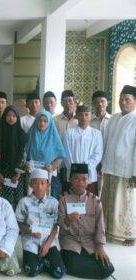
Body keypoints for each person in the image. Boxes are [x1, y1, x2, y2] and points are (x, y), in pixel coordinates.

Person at [58, 163, 115, 279]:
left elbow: (100, 227)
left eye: (84, 179)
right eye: (76, 179)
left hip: (89, 241)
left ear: (89, 180)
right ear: (70, 179)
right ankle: (67, 259)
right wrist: (68, 220)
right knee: (73, 264)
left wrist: (99, 246)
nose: (80, 182)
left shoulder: (95, 201)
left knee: (108, 268)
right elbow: (60, 223)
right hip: (70, 240)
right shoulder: (63, 198)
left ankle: (72, 261)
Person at [101, 85, 136, 246]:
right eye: (121, 99)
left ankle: (130, 235)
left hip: (126, 171)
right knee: (108, 200)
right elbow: (106, 141)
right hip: (110, 167)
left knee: (126, 203)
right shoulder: (114, 118)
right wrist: (102, 163)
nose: (123, 102)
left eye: (127, 99)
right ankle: (108, 230)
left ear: (135, 102)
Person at [15, 169, 65, 278]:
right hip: (30, 241)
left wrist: (47, 245)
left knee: (60, 272)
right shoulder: (24, 202)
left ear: (48, 185)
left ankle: (44, 259)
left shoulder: (54, 202)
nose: (39, 186)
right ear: (30, 184)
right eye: (35, 183)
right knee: (31, 272)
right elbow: (18, 223)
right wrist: (30, 232)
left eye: (42, 183)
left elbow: (55, 226)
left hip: (48, 241)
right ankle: (42, 261)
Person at [63, 105, 103, 195]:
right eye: (81, 114)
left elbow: (98, 154)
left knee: (89, 203)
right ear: (76, 116)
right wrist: (75, 169)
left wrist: (85, 169)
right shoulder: (69, 133)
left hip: (89, 176)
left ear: (91, 116)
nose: (83, 117)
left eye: (86, 114)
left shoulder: (96, 134)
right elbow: (66, 153)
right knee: (72, 202)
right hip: (73, 174)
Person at [25, 111, 66, 200]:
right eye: (39, 120)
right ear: (36, 121)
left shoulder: (53, 136)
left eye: (45, 121)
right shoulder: (31, 133)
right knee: (31, 197)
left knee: (46, 198)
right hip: (32, 173)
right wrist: (26, 164)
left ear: (49, 122)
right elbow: (24, 152)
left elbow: (60, 155)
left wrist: (52, 167)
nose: (42, 123)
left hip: (47, 174)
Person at [0, 105, 28, 207]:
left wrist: (18, 172)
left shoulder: (22, 135)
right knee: (2, 202)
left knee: (16, 202)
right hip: (2, 172)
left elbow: (24, 155)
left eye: (14, 116)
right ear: (4, 117)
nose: (11, 118)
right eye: (8, 115)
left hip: (17, 174)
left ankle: (15, 222)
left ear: (17, 118)